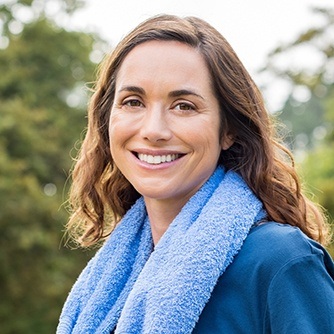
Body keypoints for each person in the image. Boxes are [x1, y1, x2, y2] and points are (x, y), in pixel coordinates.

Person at [57, 14, 334, 333]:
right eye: (133, 102)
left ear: (228, 129)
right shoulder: (111, 283)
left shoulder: (281, 261)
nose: (154, 130)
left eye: (184, 106)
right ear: (107, 122)